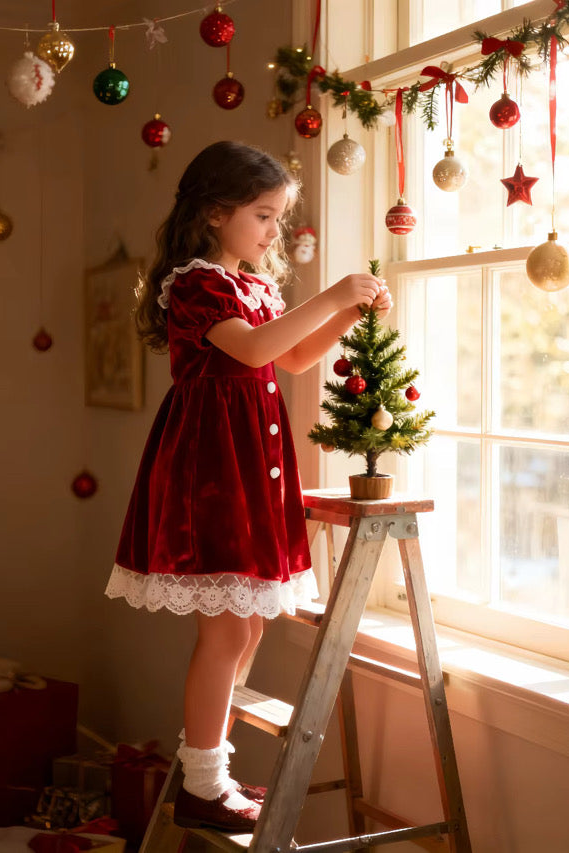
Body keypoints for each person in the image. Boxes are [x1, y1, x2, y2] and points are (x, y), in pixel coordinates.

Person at [105, 140, 391, 834]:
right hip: (212, 470)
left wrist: (348, 314)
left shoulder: (254, 286)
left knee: (248, 624)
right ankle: (202, 783)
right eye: (262, 216)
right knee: (230, 627)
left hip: (250, 464)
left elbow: (293, 357)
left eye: (277, 218)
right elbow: (256, 349)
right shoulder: (196, 285)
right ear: (214, 213)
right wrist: (332, 292)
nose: (272, 232)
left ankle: (209, 772)